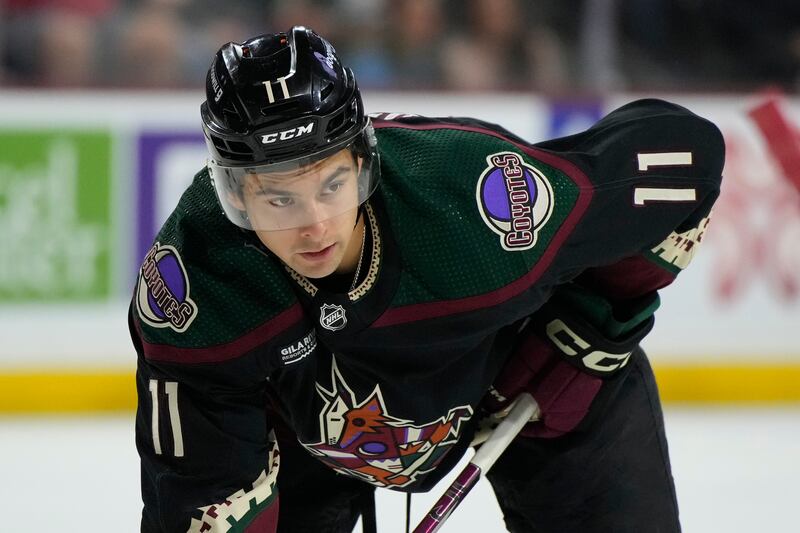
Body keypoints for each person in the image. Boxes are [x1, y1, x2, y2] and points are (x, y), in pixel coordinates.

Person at [130, 26, 724, 533]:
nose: (314, 226)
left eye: (331, 185)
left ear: (363, 160)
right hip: (304, 438)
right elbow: (202, 494)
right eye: (278, 199)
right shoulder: (198, 287)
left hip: (526, 385)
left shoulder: (473, 208)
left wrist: (587, 335)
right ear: (234, 193)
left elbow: (686, 154)